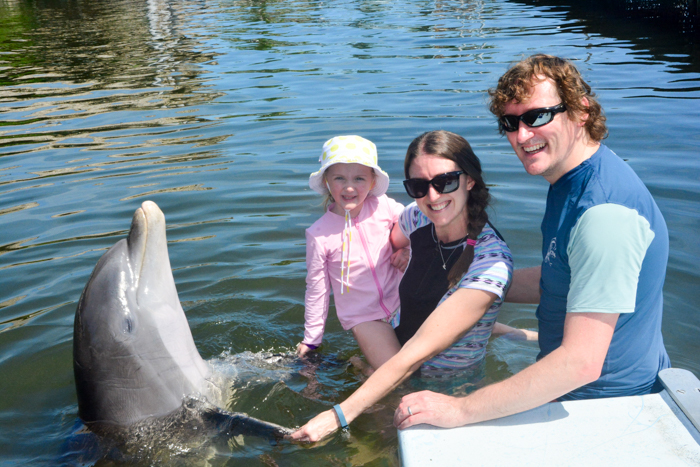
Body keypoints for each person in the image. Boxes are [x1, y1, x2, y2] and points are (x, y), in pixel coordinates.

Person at [393, 54, 670, 430]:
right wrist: (476, 287)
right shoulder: (572, 181)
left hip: (604, 406)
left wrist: (461, 410)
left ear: (581, 111)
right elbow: (564, 276)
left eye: (537, 116)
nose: (521, 136)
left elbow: (580, 363)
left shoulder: (603, 212)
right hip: (586, 390)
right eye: (509, 122)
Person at [291, 130, 522, 442]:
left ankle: (364, 368)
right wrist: (403, 249)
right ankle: (366, 367)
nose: (433, 196)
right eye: (418, 186)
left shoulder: (490, 260)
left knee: (381, 438)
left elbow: (418, 351)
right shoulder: (417, 218)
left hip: (452, 389)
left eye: (446, 181)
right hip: (390, 344)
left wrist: (337, 415)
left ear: (470, 180)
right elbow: (391, 240)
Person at [297, 135, 406, 372]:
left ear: (372, 181)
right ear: (326, 181)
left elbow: (416, 223)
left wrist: (407, 249)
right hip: (364, 318)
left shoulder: (384, 206)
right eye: (339, 178)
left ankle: (500, 329)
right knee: (396, 377)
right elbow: (317, 290)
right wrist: (312, 340)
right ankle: (359, 366)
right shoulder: (319, 234)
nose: (349, 187)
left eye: (359, 178)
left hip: (402, 299)